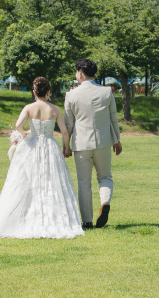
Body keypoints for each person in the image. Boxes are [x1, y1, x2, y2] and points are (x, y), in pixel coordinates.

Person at [0, 77, 84, 239]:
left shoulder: (29, 107)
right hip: (49, 146)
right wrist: (66, 147)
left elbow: (18, 124)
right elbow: (65, 131)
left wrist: (25, 134)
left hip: (32, 146)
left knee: (27, 180)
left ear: (34, 92)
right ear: (48, 92)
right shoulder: (55, 109)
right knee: (51, 181)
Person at [63, 59, 122, 229]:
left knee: (84, 182)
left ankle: (87, 221)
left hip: (81, 143)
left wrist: (66, 146)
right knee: (105, 177)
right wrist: (117, 140)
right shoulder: (106, 92)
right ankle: (105, 202)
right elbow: (113, 118)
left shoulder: (71, 95)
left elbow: (68, 125)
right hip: (103, 142)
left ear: (80, 74)